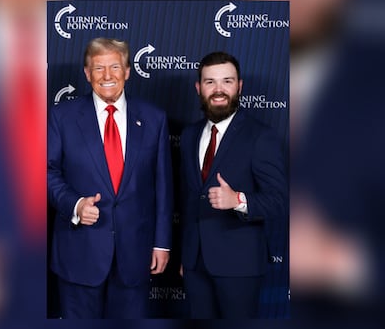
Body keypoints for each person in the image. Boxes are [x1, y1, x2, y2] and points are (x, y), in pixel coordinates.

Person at [47, 37, 173, 318]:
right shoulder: (61, 117)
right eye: (98, 68)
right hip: (79, 253)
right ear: (87, 73)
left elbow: (163, 186)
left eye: (115, 67)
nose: (107, 76)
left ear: (128, 71)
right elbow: (47, 171)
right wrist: (76, 204)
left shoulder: (154, 118)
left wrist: (161, 243)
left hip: (135, 255)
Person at [179, 51, 287, 318]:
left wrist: (238, 200)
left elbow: (279, 201)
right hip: (195, 264)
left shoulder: (260, 136)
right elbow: (189, 198)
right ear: (198, 88)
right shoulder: (189, 134)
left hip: (240, 267)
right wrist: (187, 256)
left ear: (239, 86)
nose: (218, 90)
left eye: (227, 81)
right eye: (210, 82)